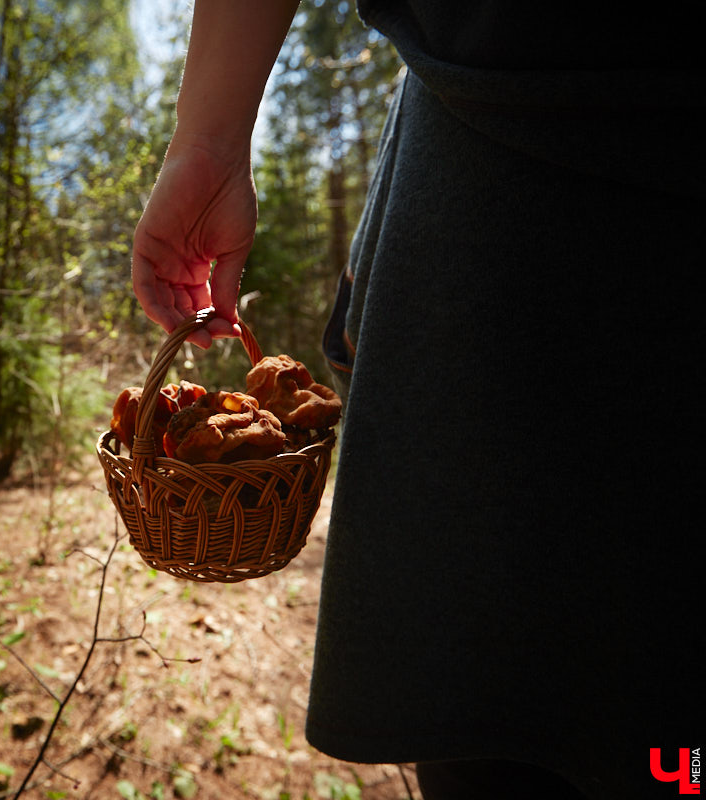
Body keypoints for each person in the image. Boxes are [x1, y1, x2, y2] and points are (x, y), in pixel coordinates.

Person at [131, 2, 703, 798]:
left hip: (491, 193)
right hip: (477, 190)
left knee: (661, 743)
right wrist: (206, 146)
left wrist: (209, 143)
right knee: (483, 713)